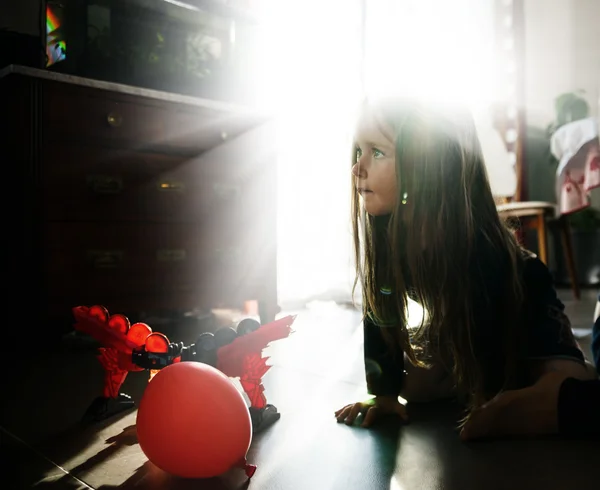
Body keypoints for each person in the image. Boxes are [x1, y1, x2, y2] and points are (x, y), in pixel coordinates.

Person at [334, 97, 597, 437]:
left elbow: (488, 324)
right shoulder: (388, 234)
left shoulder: (478, 247)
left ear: (428, 165)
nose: (358, 167)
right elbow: (381, 311)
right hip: (462, 330)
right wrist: (383, 394)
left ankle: (522, 398)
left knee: (568, 376)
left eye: (377, 152)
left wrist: (490, 398)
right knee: (413, 390)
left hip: (527, 319)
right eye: (358, 152)